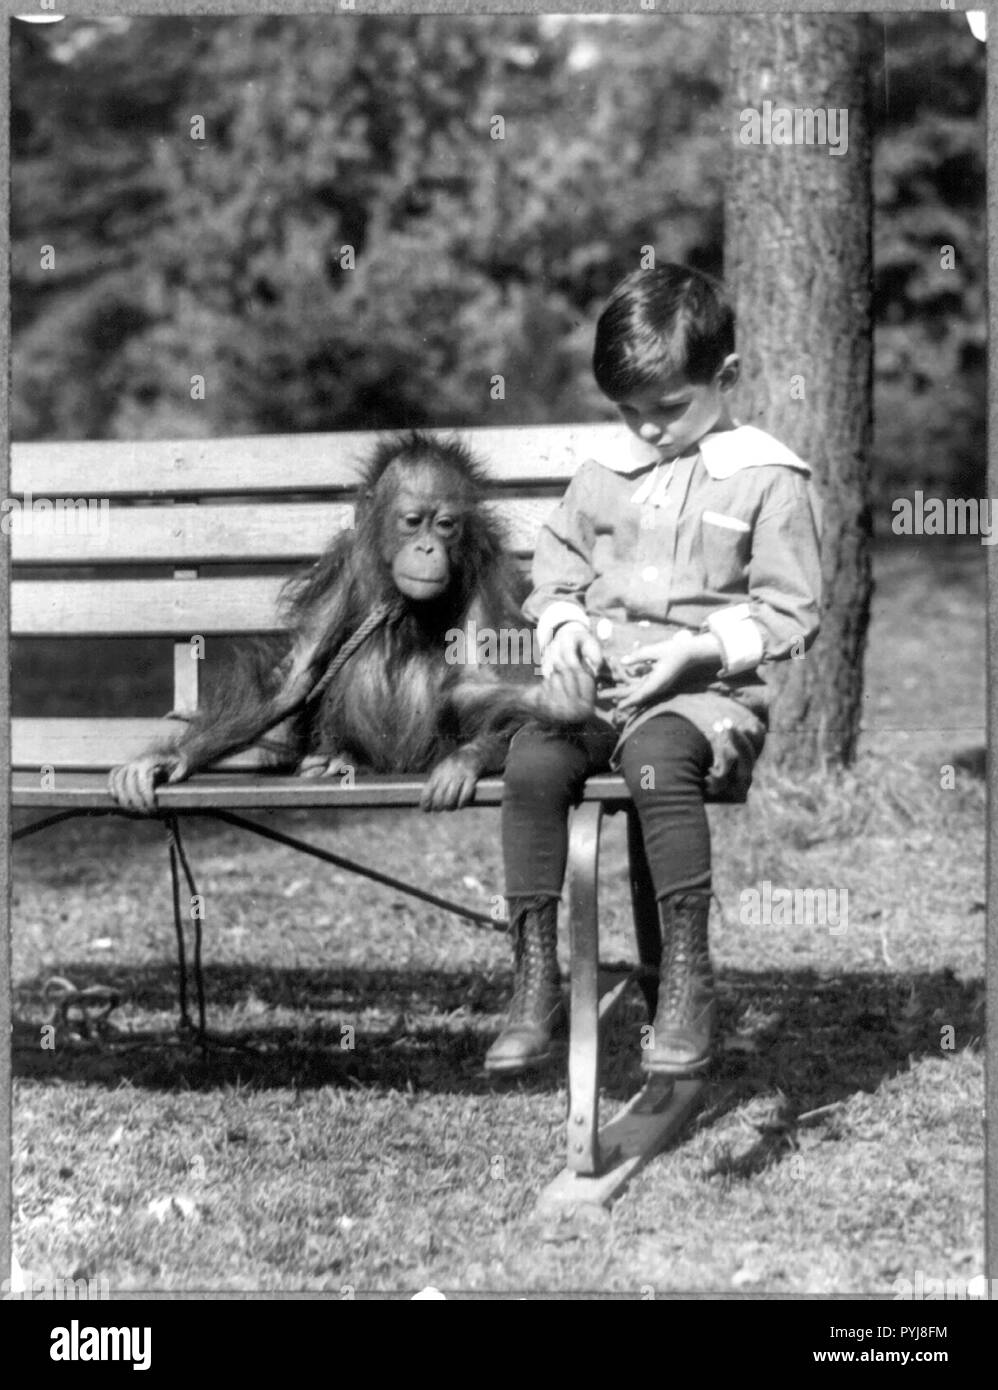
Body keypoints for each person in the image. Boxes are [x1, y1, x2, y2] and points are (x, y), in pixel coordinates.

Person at [487, 263, 822, 1077]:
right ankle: (536, 978)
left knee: (656, 760)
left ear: (728, 377)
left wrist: (701, 649)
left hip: (706, 695)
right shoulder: (607, 473)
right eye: (628, 412)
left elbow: (792, 610)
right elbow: (555, 569)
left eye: (668, 408)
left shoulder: (767, 478)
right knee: (533, 762)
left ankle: (684, 982)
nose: (647, 430)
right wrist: (563, 622)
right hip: (602, 692)